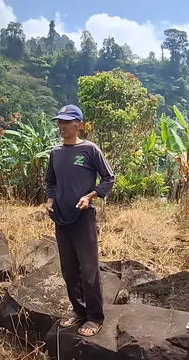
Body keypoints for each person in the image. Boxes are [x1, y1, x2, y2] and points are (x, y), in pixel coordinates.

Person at [45, 104, 115, 337]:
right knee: (69, 269)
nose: (62, 126)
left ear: (79, 125)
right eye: (59, 122)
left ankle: (95, 317)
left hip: (83, 217)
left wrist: (89, 196)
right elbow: (51, 183)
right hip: (61, 218)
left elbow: (108, 178)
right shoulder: (55, 153)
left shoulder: (90, 150)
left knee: (88, 269)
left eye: (67, 122)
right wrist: (50, 200)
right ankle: (79, 311)